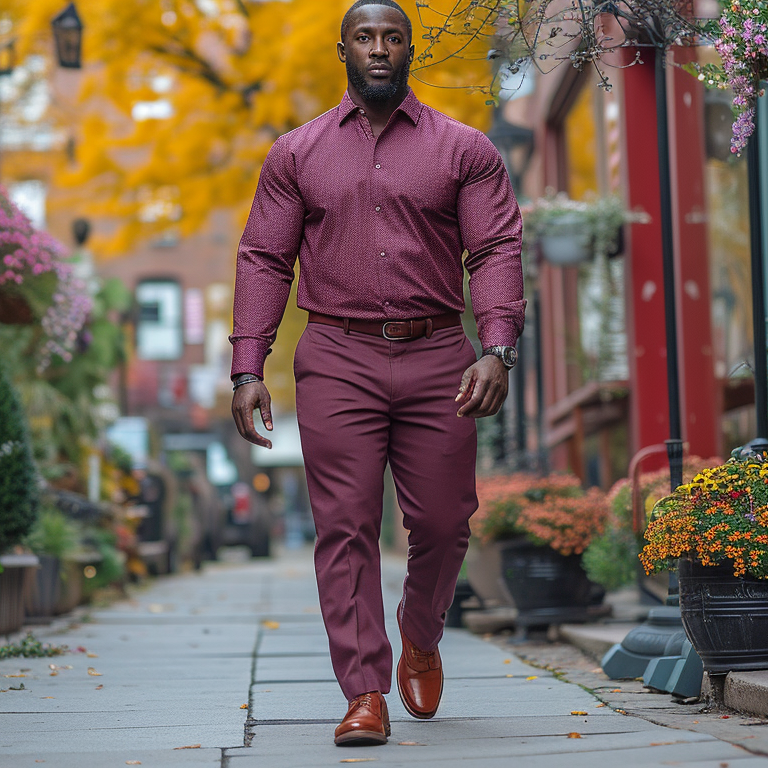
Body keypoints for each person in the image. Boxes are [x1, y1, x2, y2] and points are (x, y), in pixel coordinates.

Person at [230, 0, 524, 747]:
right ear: (345, 51)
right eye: (366, 37)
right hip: (336, 355)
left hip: (437, 355)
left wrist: (496, 346)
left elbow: (493, 250)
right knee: (345, 525)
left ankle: (419, 632)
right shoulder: (296, 153)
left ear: (410, 51)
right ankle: (364, 690)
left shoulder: (464, 150)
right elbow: (265, 257)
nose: (380, 48)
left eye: (393, 37)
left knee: (442, 520)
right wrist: (247, 366)